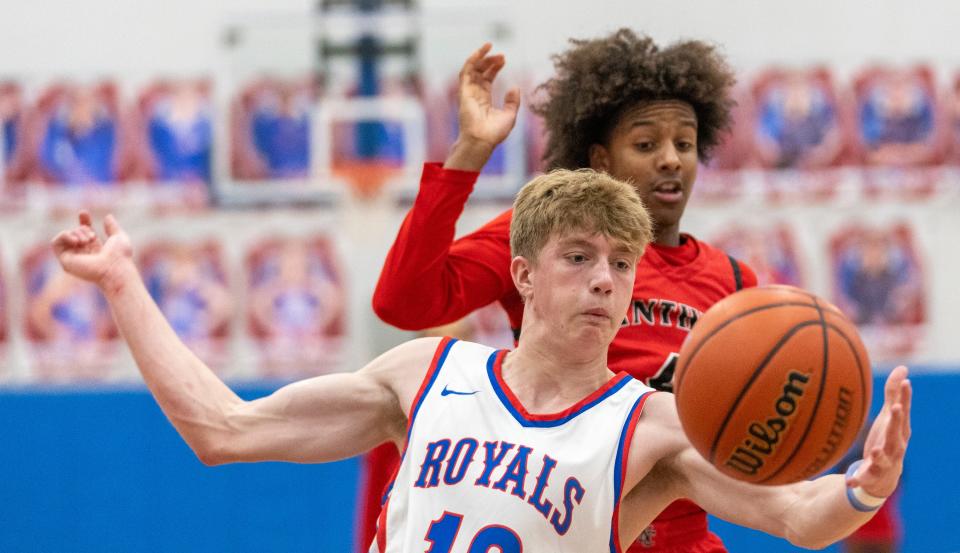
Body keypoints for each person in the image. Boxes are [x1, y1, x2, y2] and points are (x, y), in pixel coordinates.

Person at [52, 169, 910, 552]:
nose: (607, 280)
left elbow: (799, 516)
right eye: (581, 257)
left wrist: (865, 484)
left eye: (622, 262)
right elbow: (222, 428)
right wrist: (123, 281)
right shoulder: (425, 373)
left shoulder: (648, 426)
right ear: (524, 274)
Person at [370, 31, 760, 552]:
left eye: (684, 144)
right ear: (600, 159)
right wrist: (470, 152)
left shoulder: (734, 282)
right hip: (560, 529)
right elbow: (405, 300)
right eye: (646, 145)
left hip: (680, 537)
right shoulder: (551, 243)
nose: (670, 159)